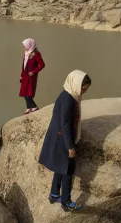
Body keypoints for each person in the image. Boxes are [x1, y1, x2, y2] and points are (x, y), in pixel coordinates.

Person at [38, 70, 92, 212]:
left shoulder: (67, 94)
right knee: (68, 170)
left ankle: (54, 194)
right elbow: (66, 124)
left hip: (58, 136)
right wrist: (70, 147)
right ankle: (66, 201)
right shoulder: (69, 99)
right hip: (63, 138)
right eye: (83, 88)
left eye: (85, 89)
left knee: (59, 167)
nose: (84, 92)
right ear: (75, 84)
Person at [19, 38, 45, 114]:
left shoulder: (36, 53)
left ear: (29, 45)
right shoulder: (26, 53)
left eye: (25, 46)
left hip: (31, 76)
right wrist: (21, 75)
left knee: (28, 93)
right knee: (24, 93)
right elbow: (24, 65)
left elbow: (42, 65)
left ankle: (34, 107)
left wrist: (33, 72)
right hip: (25, 75)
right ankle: (29, 107)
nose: (24, 48)